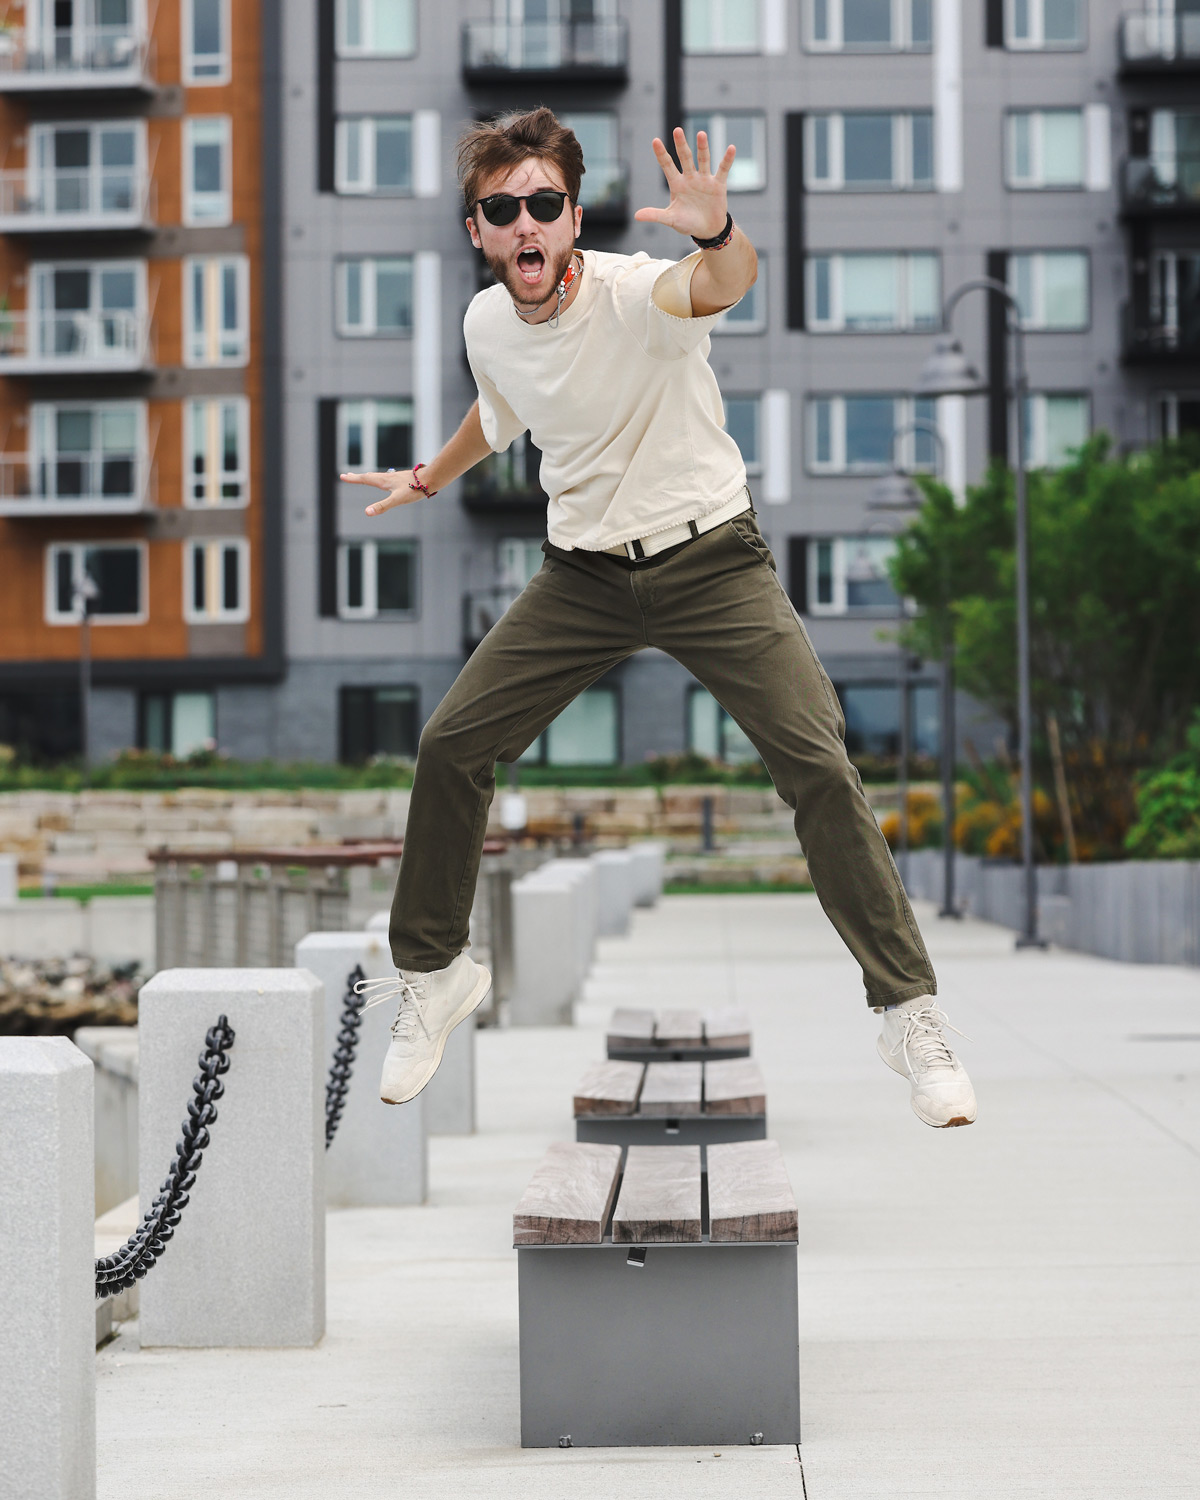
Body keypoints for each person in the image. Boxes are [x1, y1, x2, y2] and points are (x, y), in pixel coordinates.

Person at [342, 108, 976, 1130]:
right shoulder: (486, 323)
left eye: (544, 206)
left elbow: (719, 284)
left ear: (571, 216)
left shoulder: (639, 294)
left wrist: (717, 234)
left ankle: (910, 1013)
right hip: (581, 576)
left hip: (712, 560)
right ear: (478, 231)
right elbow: (498, 409)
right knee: (452, 744)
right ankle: (434, 973)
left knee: (817, 765)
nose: (526, 227)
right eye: (503, 211)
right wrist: (427, 475)